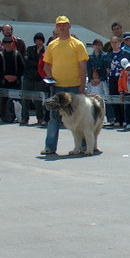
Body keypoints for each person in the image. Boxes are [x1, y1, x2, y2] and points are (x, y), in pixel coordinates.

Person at [41, 16, 89, 155]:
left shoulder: (78, 44)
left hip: (74, 86)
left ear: (69, 26)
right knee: (54, 116)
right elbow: (46, 66)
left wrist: (82, 86)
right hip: (57, 87)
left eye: (64, 25)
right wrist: (50, 78)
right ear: (56, 27)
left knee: (79, 116)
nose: (61, 28)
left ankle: (85, 145)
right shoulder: (52, 45)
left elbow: (83, 67)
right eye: (59, 25)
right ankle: (50, 147)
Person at [0, 36, 25, 123]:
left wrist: (16, 76)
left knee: (15, 100)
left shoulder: (17, 54)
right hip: (4, 81)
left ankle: (14, 116)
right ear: (3, 45)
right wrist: (4, 76)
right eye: (6, 44)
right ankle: (2, 116)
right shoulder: (0, 55)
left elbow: (22, 67)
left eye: (10, 43)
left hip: (15, 82)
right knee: (3, 100)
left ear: (12, 44)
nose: (8, 45)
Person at [106, 36, 130, 127]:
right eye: (112, 43)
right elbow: (106, 65)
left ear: (119, 43)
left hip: (122, 78)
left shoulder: (125, 53)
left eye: (116, 42)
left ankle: (125, 119)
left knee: (123, 98)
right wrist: (107, 70)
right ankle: (118, 119)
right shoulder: (109, 55)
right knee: (114, 98)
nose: (114, 44)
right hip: (112, 78)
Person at [21, 33, 47, 125]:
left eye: (40, 40)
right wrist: (37, 61)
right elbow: (27, 62)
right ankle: (24, 118)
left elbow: (43, 63)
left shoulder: (45, 51)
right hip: (28, 77)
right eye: (37, 40)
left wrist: (38, 55)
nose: (38, 42)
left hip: (38, 78)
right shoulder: (30, 49)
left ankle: (40, 117)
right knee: (25, 98)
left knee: (38, 100)